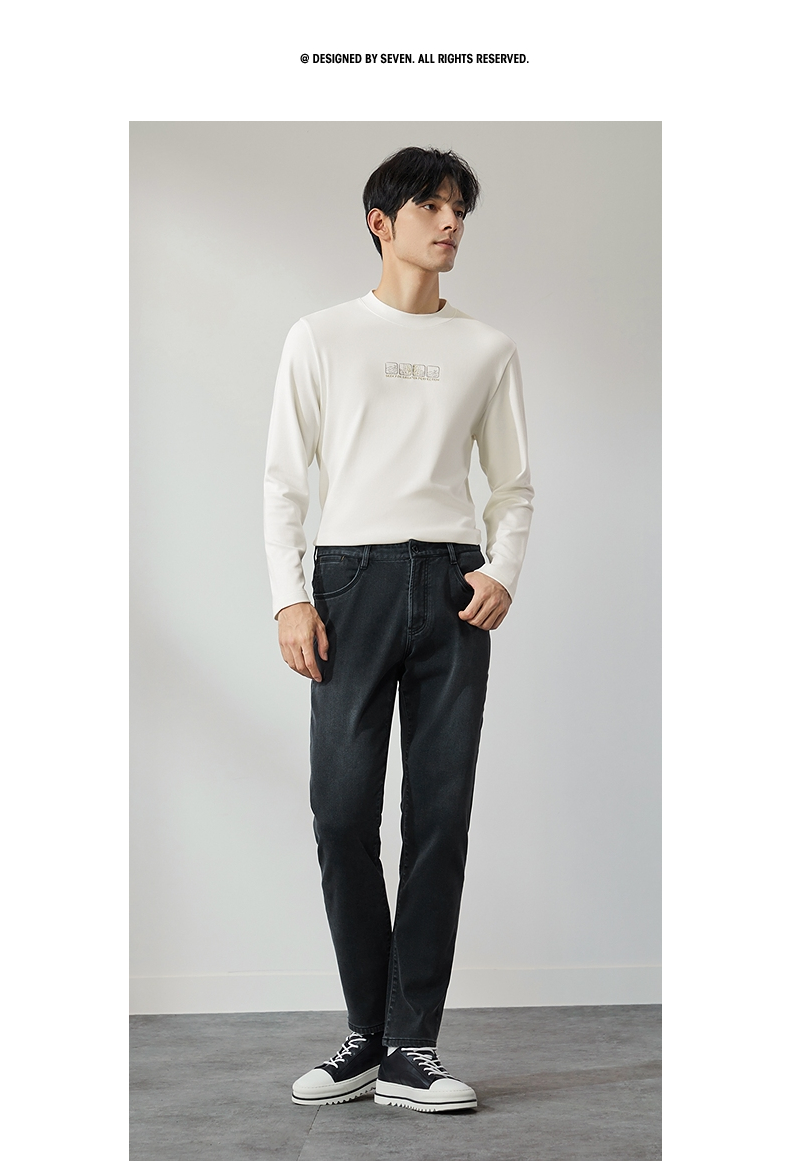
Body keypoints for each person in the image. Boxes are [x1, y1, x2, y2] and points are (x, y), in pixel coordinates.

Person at [263, 146, 534, 1114]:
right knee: (341, 814)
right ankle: (364, 1036)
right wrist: (290, 597)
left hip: (454, 583)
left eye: (460, 208)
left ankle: (412, 1046)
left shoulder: (486, 347)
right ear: (381, 221)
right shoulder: (321, 336)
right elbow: (284, 480)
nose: (451, 222)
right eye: (432, 205)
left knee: (438, 819)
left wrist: (501, 568)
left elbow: (511, 485)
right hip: (349, 582)